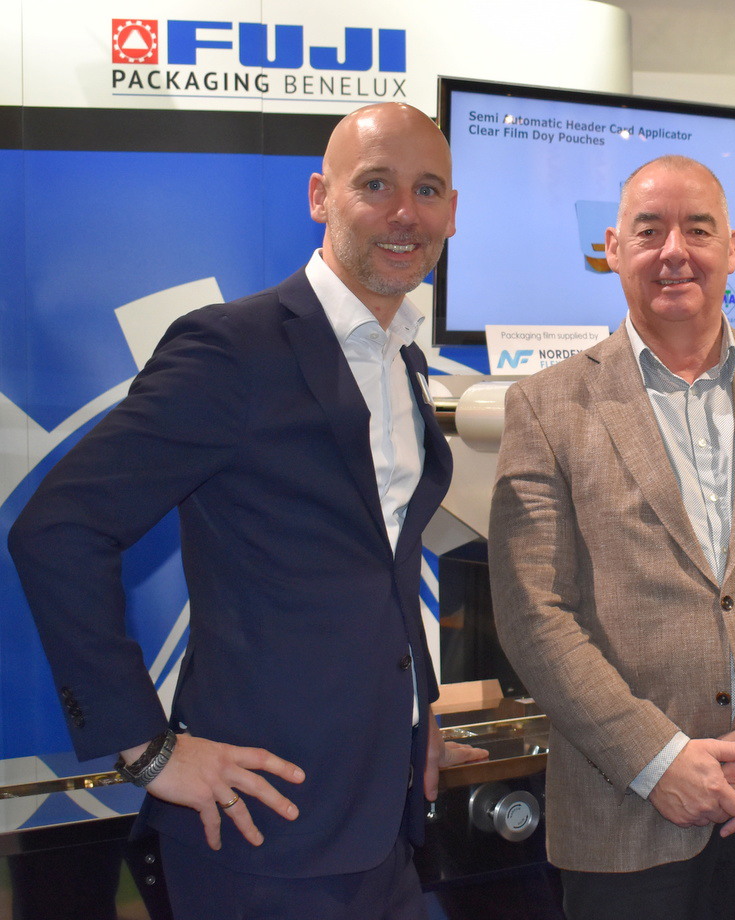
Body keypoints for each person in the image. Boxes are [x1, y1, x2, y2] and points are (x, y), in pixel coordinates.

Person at [8, 102, 485, 920]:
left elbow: (382, 561)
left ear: (452, 210)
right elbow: (58, 529)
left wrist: (418, 712)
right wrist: (149, 751)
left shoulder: (401, 354)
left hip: (384, 815)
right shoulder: (234, 349)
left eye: (428, 189)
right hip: (263, 830)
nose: (406, 213)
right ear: (320, 196)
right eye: (376, 185)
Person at [488, 154, 735, 920]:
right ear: (613, 249)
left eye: (698, 229)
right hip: (625, 811)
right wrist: (654, 759)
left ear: (732, 249)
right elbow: (532, 612)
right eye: (649, 231)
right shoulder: (547, 406)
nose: (674, 251)